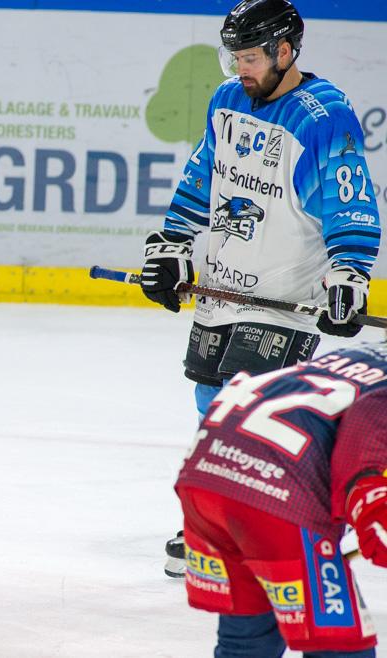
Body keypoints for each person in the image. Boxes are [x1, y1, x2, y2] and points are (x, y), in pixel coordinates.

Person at [139, 0, 381, 577]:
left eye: (248, 57)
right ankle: (221, 515)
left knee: (254, 412)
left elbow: (349, 202)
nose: (238, 69)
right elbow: (204, 177)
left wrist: (349, 272)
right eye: (234, 56)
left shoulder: (323, 116)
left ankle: (251, 525)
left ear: (285, 51)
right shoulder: (227, 101)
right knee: (211, 404)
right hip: (223, 289)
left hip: (284, 296)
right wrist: (172, 243)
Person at [175, 340, 387, 657]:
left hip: (207, 474)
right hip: (276, 494)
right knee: (337, 645)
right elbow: (364, 478)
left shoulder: (369, 355)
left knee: (248, 642)